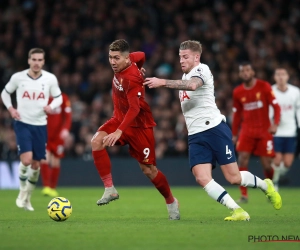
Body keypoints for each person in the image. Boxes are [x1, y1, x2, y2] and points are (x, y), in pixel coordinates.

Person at [144, 40, 282, 221]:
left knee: (233, 177)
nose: (181, 61)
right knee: (201, 177)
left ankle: (266, 186)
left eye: (185, 57)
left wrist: (163, 82)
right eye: (180, 57)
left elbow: (193, 85)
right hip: (195, 135)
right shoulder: (183, 78)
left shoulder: (202, 70)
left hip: (214, 129)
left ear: (196, 57)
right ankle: (237, 210)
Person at [90, 39, 180, 220]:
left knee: (149, 170)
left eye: (116, 58)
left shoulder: (131, 78)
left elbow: (135, 109)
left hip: (139, 126)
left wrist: (119, 131)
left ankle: (171, 201)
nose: (113, 62)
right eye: (110, 57)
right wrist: (140, 66)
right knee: (96, 141)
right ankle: (110, 189)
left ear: (125, 59)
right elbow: (142, 55)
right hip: (119, 118)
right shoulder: (131, 59)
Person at [0, 48, 63, 211]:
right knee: (26, 160)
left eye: (40, 60)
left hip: (40, 125)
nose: (36, 63)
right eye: (34, 59)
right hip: (23, 123)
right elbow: (5, 93)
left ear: (43, 62)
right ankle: (22, 192)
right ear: (29, 60)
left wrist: (51, 106)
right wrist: (11, 109)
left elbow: (59, 97)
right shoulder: (18, 77)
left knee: (36, 165)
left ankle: (28, 198)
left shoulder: (50, 79)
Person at [232, 63, 281, 203]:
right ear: (240, 75)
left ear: (253, 72)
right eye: (243, 71)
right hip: (246, 131)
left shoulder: (264, 86)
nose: (245, 73)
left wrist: (275, 123)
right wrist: (234, 134)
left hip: (264, 131)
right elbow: (236, 114)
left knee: (266, 165)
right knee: (242, 159)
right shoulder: (237, 92)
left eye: (248, 70)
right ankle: (244, 195)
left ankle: (270, 189)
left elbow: (276, 107)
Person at [270, 68, 300, 191]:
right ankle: (275, 183)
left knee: (287, 163)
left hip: (291, 131)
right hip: (276, 132)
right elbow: (268, 109)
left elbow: (298, 109)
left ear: (287, 76)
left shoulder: (295, 92)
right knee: (277, 160)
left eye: (283, 74)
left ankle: (275, 177)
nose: (281, 77)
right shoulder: (271, 91)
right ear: (274, 77)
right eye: (278, 74)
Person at [40, 93, 72, 197]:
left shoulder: (63, 98)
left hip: (58, 136)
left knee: (55, 161)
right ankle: (46, 186)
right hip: (45, 134)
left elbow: (68, 116)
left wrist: (66, 129)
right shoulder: (42, 97)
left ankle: (53, 188)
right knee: (44, 158)